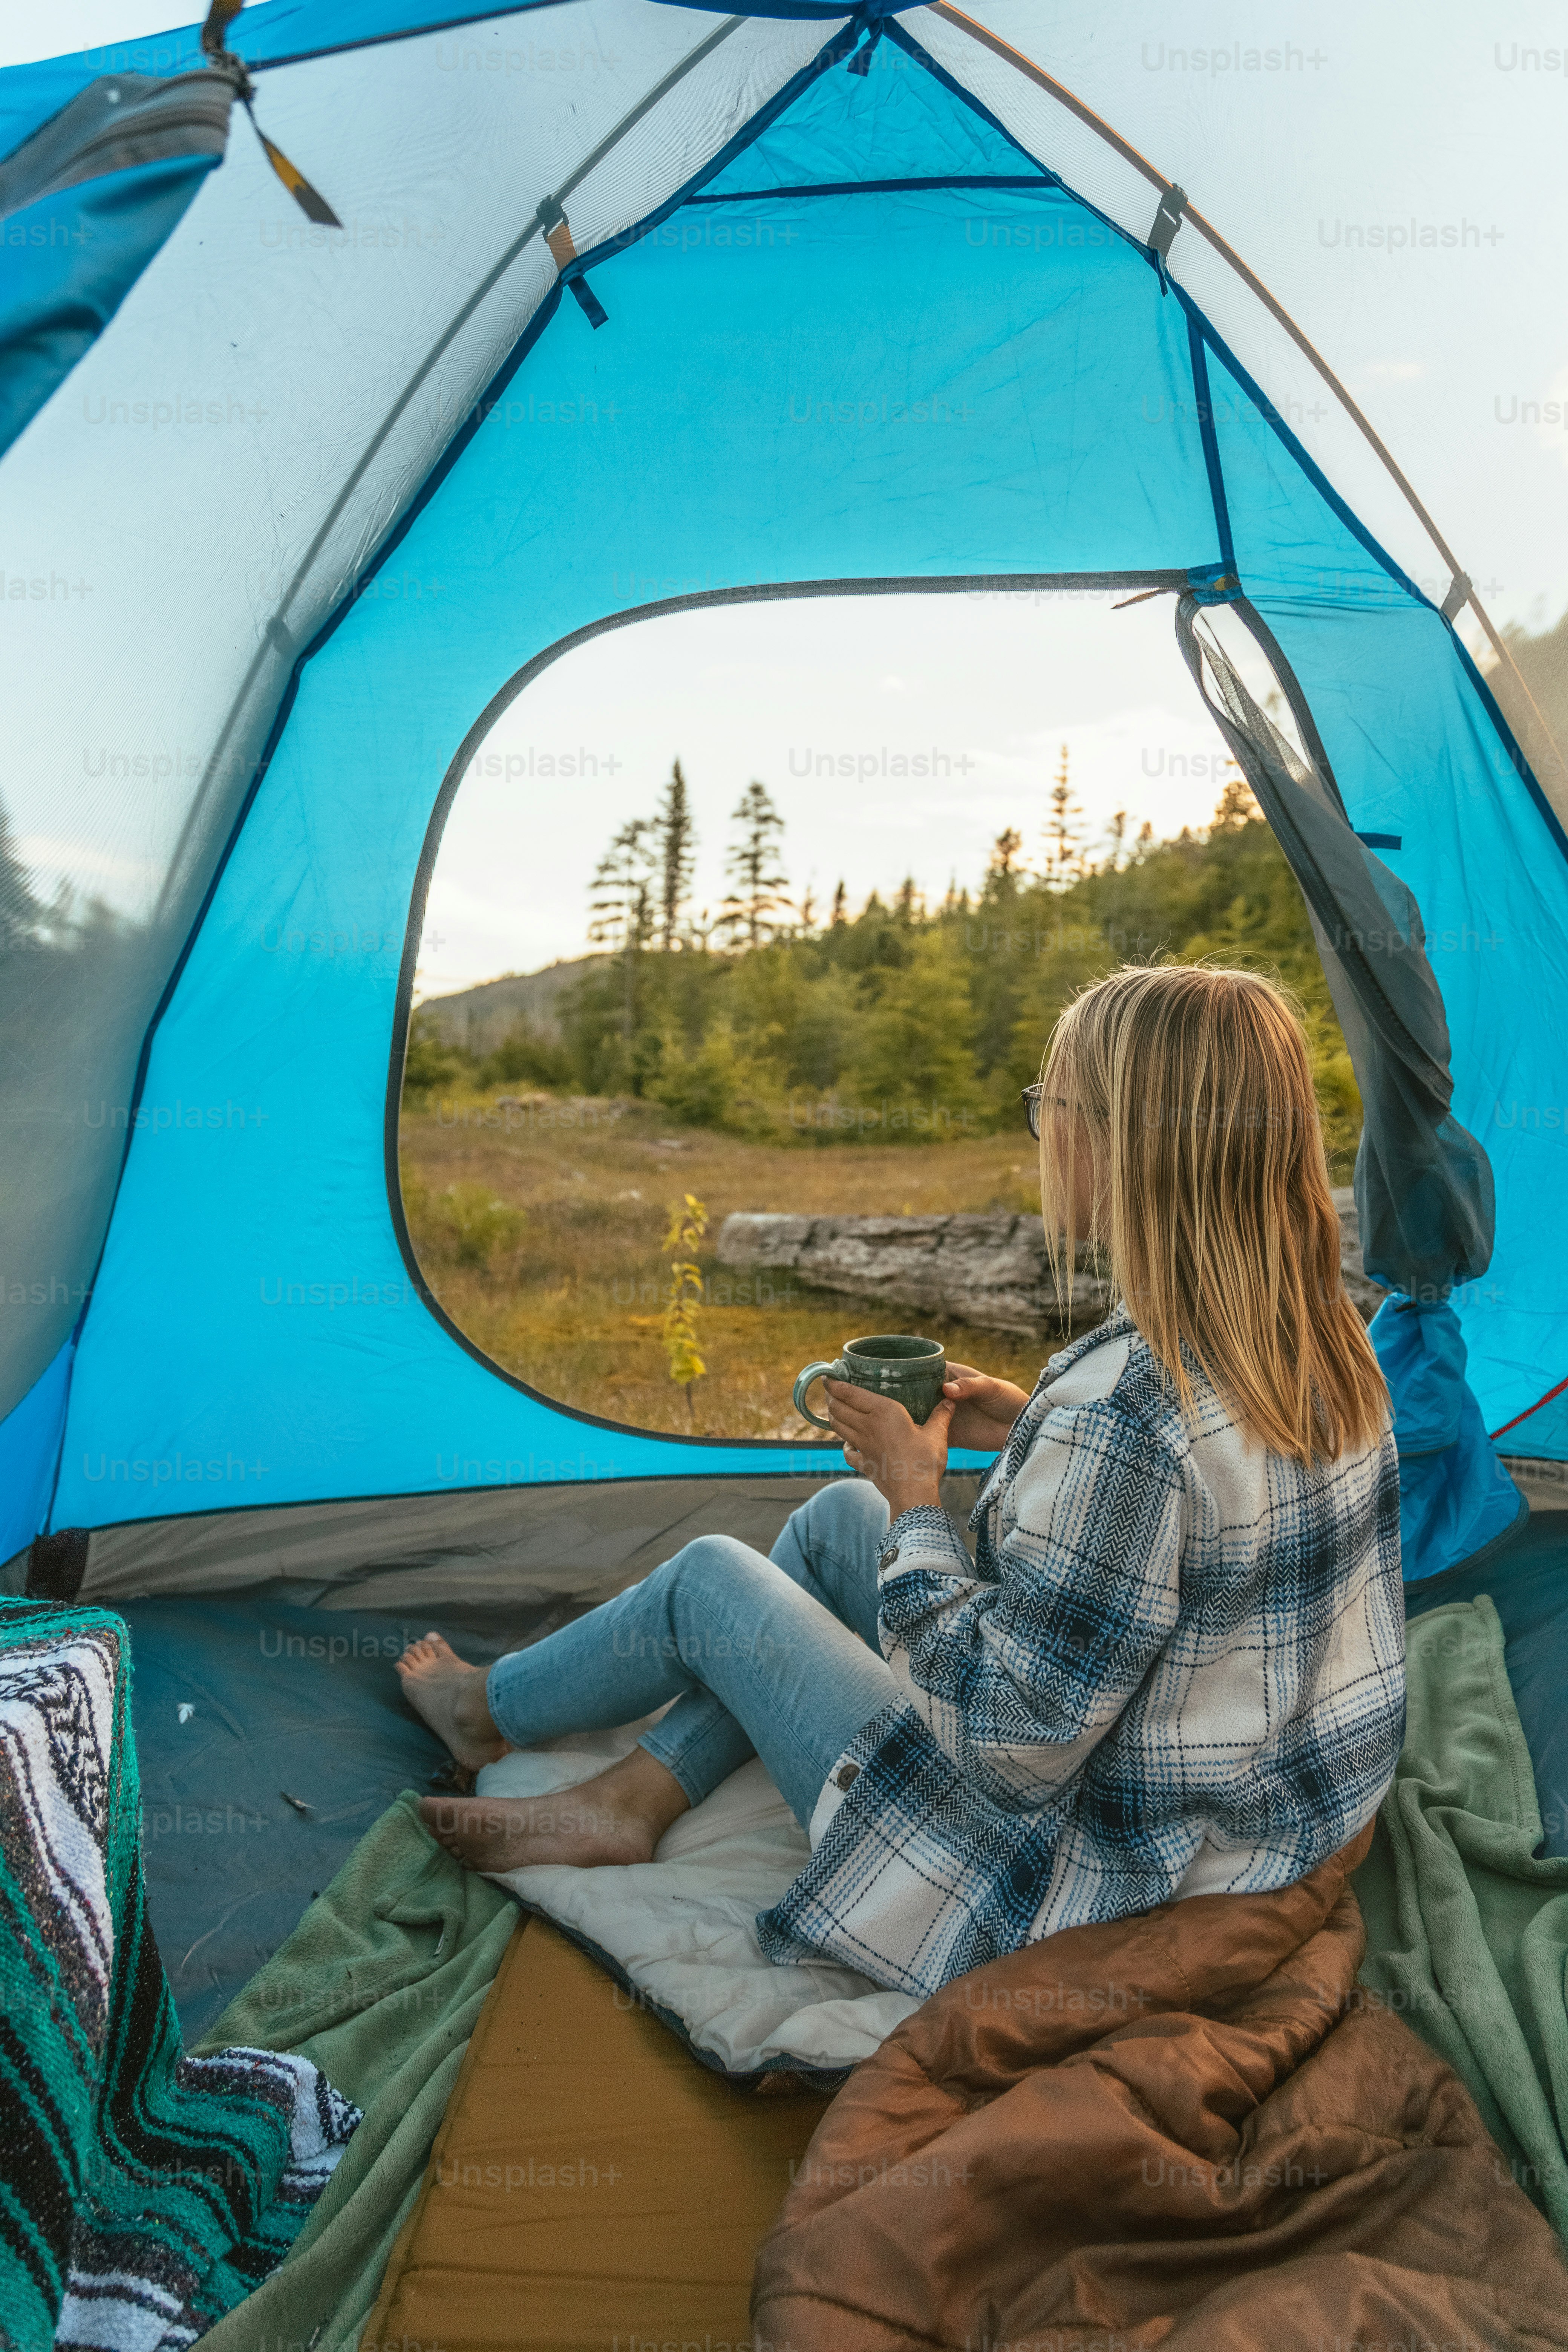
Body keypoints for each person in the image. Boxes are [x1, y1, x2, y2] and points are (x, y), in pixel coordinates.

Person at [396, 963, 1403, 2000]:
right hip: (1266, 1830)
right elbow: (1193, 1522)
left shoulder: (1126, 1422)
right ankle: (633, 1801)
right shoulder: (1328, 1336)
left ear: (1124, 1144)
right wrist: (1027, 1423)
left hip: (1065, 1892)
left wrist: (920, 1499)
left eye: (1051, 1107)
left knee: (710, 1580)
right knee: (841, 1520)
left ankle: (491, 1712)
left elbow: (1013, 1749)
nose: (1044, 1134)